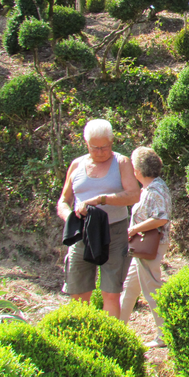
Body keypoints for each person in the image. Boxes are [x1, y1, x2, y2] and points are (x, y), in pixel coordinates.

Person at [57, 119, 141, 318]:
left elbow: (134, 195)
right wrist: (71, 218)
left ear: (112, 142)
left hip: (113, 232)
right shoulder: (77, 165)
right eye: (96, 148)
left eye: (106, 146)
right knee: (78, 291)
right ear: (86, 143)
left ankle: (109, 339)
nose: (102, 151)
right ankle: (81, 338)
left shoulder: (121, 163)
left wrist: (101, 200)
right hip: (82, 234)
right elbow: (63, 200)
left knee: (110, 292)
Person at [119, 147, 173, 348]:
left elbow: (161, 217)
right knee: (130, 287)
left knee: (151, 288)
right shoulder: (154, 187)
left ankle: (164, 334)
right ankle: (117, 327)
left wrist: (133, 229)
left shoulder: (155, 190)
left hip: (150, 245)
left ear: (139, 171)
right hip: (145, 246)